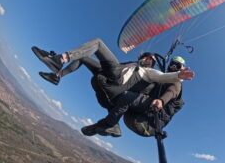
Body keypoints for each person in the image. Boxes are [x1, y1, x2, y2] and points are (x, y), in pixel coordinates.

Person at [32, 38, 195, 136]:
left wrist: (176, 78)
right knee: (85, 58)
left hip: (124, 89)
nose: (173, 66)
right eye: (172, 64)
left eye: (176, 66)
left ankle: (59, 59)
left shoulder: (153, 73)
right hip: (117, 82)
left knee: (98, 43)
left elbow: (168, 85)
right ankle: (57, 75)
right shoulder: (131, 65)